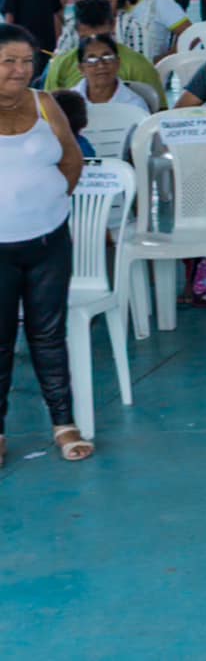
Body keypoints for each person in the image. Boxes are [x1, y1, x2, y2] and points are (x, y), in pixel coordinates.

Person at [0, 23, 88, 466]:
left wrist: (48, 202)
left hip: (49, 240)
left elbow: (72, 159)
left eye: (26, 61)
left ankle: (63, 423)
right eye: (8, 62)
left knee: (49, 334)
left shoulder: (45, 103)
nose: (20, 70)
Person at [42, 0, 163, 99]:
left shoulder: (138, 65)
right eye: (86, 39)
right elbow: (48, 109)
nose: (95, 45)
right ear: (77, 31)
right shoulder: (62, 64)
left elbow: (159, 110)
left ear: (113, 25)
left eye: (103, 37)